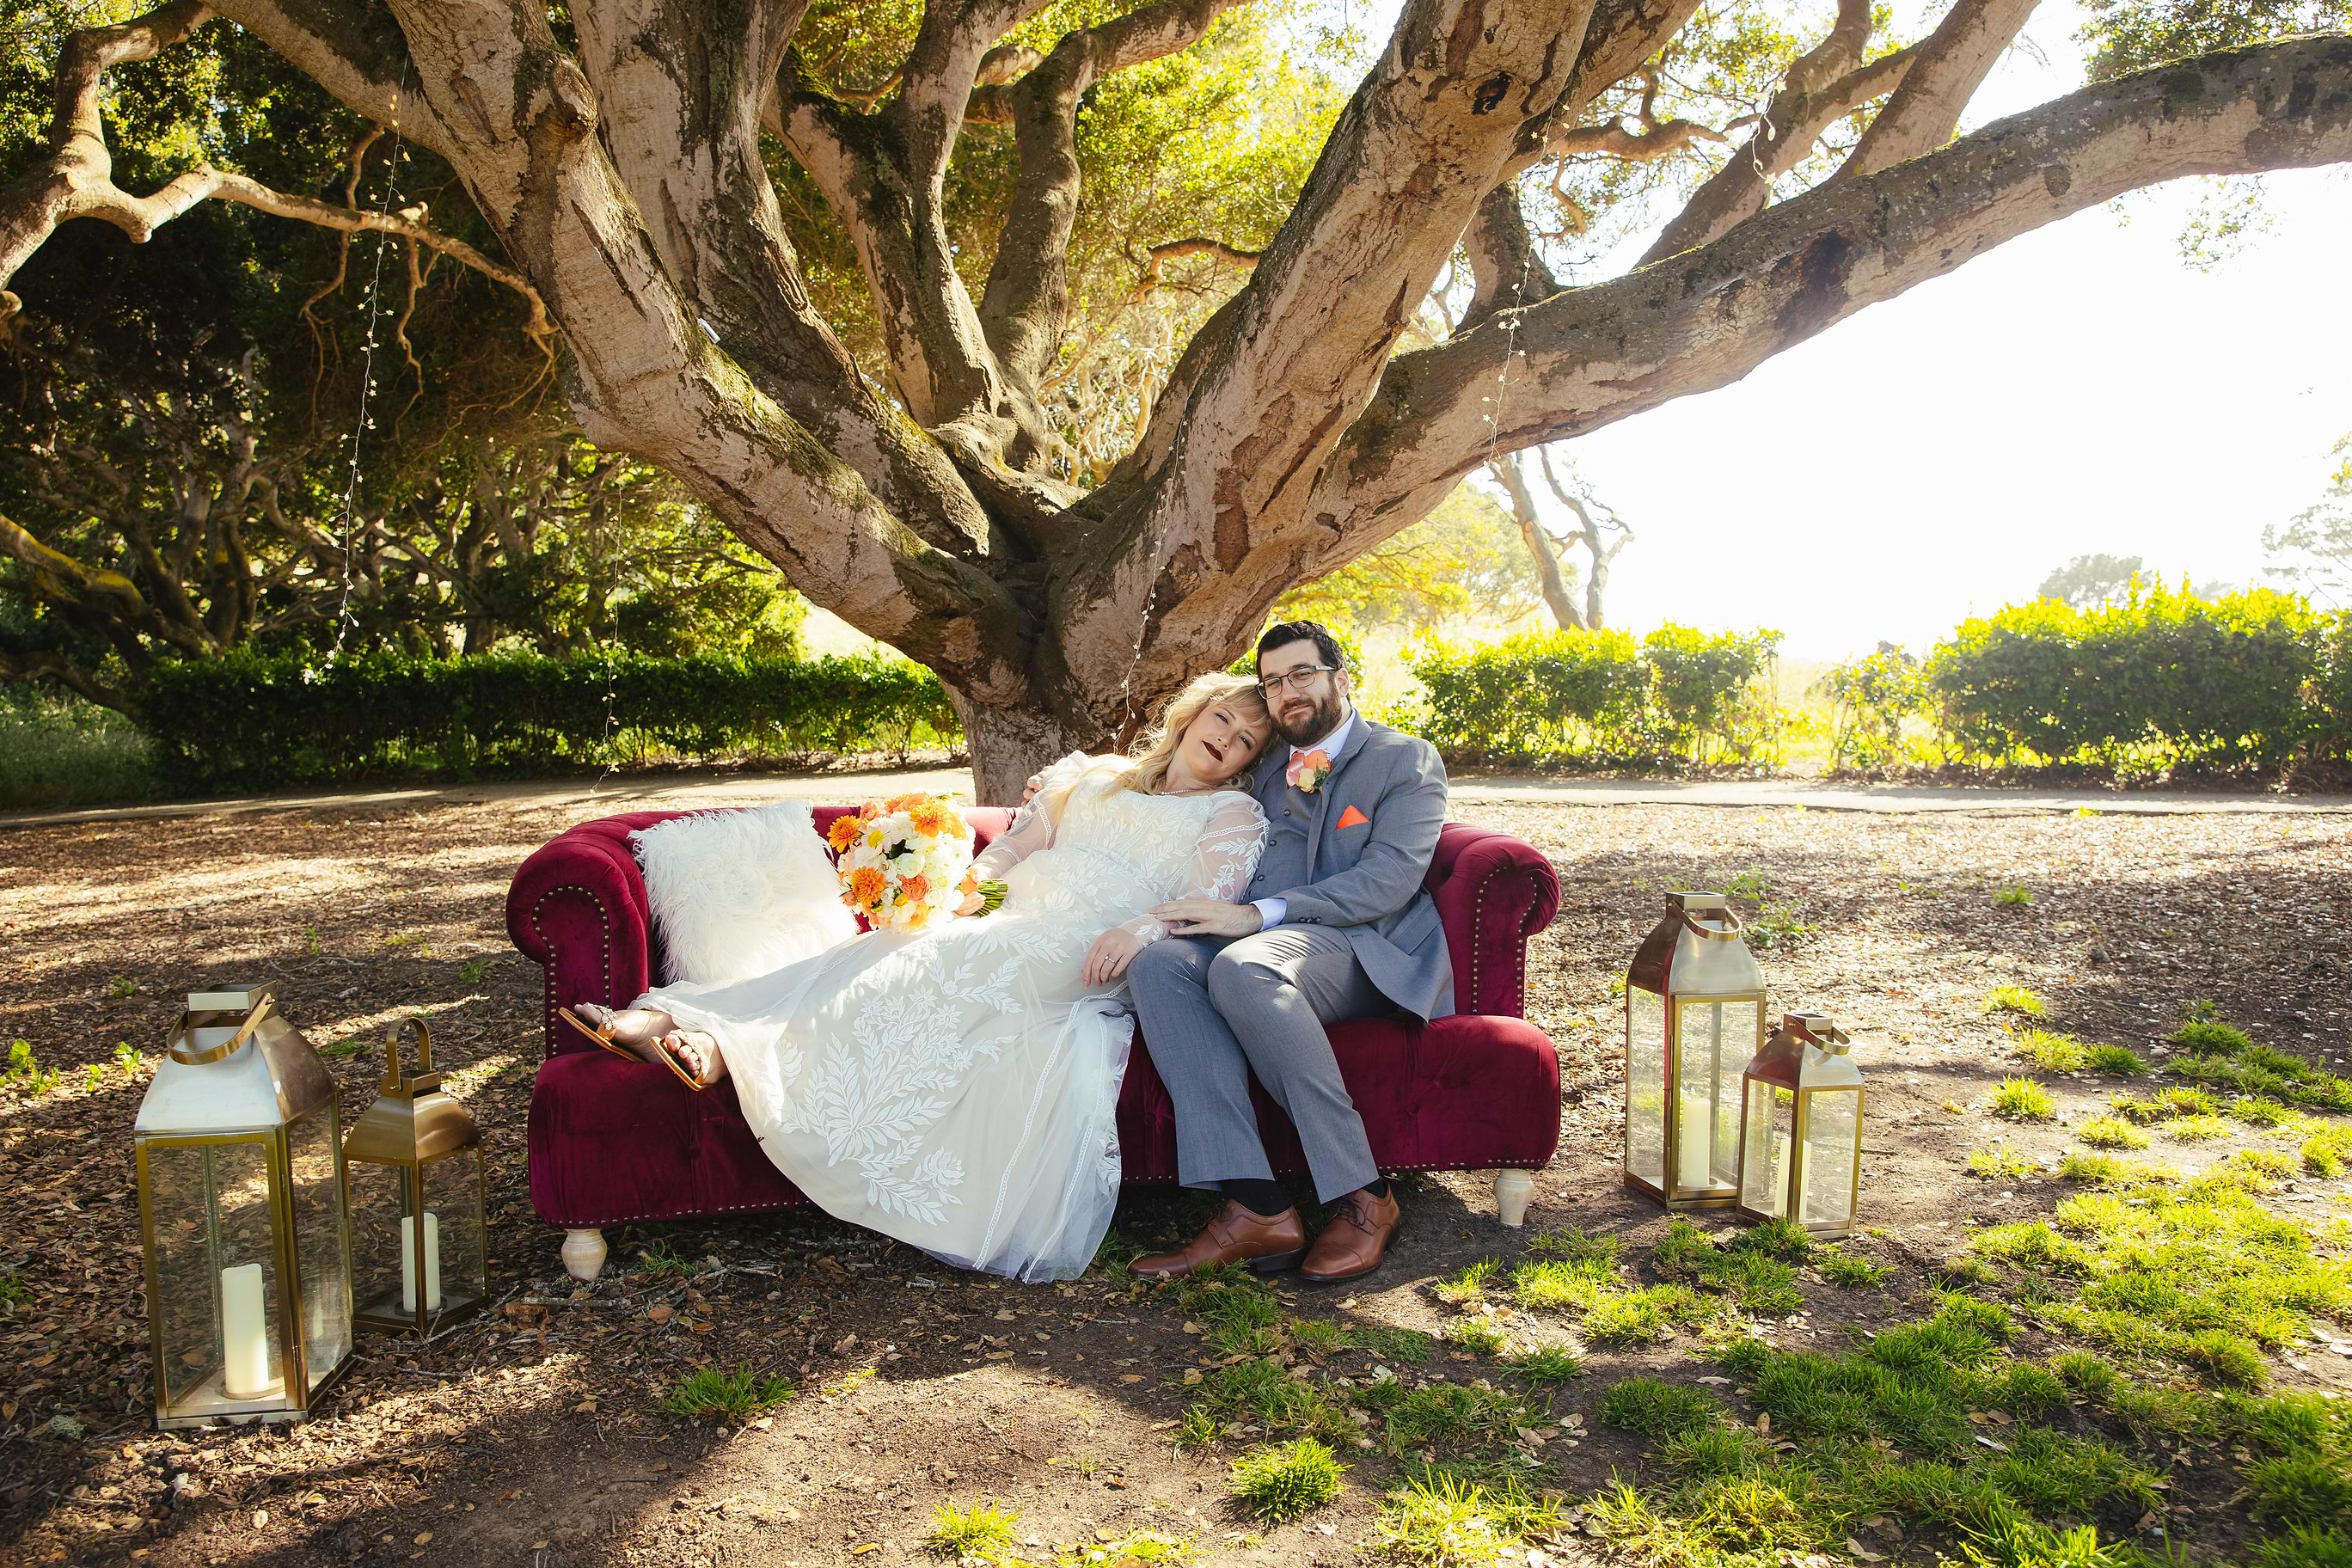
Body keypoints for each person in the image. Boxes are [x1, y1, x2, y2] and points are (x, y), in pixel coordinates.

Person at [567, 673, 1271, 1283]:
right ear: (1191, 715)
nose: (1229, 739)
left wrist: (1137, 931)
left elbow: (1204, 901)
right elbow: (1017, 853)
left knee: (943, 962)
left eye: (1247, 740)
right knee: (901, 948)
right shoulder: (1095, 777)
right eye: (1224, 718)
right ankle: (695, 1025)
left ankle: (717, 1039)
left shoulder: (1228, 811)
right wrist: (969, 892)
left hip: (1092, 946)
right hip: (1015, 917)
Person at [1118, 621, 1451, 1283]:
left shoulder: (1404, 759)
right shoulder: (1265, 757)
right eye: (1272, 682)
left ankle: (1366, 1198)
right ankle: (1257, 1207)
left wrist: (1255, 916)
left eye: (1300, 674)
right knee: (1160, 964)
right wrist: (1078, 783)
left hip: (1361, 947)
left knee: (1246, 965)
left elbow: (1387, 881)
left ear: (1340, 678)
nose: (1285, 692)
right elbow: (1181, 771)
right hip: (1260, 938)